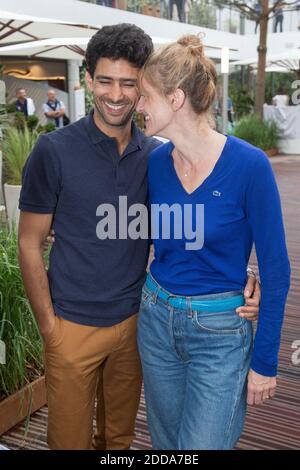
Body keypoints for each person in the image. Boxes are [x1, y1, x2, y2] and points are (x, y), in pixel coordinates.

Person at [18, 24, 260, 451]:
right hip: (71, 325)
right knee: (68, 443)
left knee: (119, 440)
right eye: (105, 80)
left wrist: (246, 271)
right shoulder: (52, 151)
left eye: (129, 83)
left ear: (143, 87)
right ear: (87, 79)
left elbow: (190, 223)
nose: (116, 94)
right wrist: (49, 328)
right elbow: (29, 242)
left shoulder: (157, 156)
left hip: (138, 323)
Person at [136, 34, 290, 450]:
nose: (138, 106)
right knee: (166, 447)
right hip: (155, 321)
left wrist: (264, 363)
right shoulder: (154, 163)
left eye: (144, 95)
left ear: (175, 98)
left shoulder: (250, 165)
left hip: (220, 333)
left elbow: (277, 272)